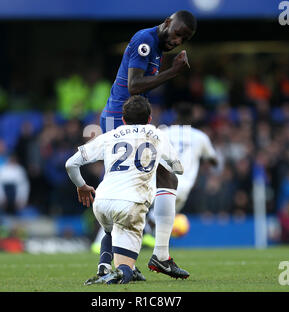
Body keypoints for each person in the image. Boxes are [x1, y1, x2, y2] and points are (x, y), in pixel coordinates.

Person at [93, 9, 197, 279]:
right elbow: (134, 85)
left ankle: (143, 259)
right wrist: (173, 72)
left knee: (164, 179)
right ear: (167, 23)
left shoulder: (157, 45)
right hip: (120, 119)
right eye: (177, 34)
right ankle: (137, 260)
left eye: (183, 39)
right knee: (133, 186)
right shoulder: (146, 41)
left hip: (127, 119)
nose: (177, 41)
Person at [65, 96, 183, 284]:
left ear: (123, 119)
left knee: (110, 230)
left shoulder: (110, 136)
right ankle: (119, 274)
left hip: (102, 201)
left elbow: (71, 164)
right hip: (131, 204)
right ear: (150, 119)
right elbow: (178, 169)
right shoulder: (158, 135)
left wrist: (82, 186)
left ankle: (103, 268)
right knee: (126, 270)